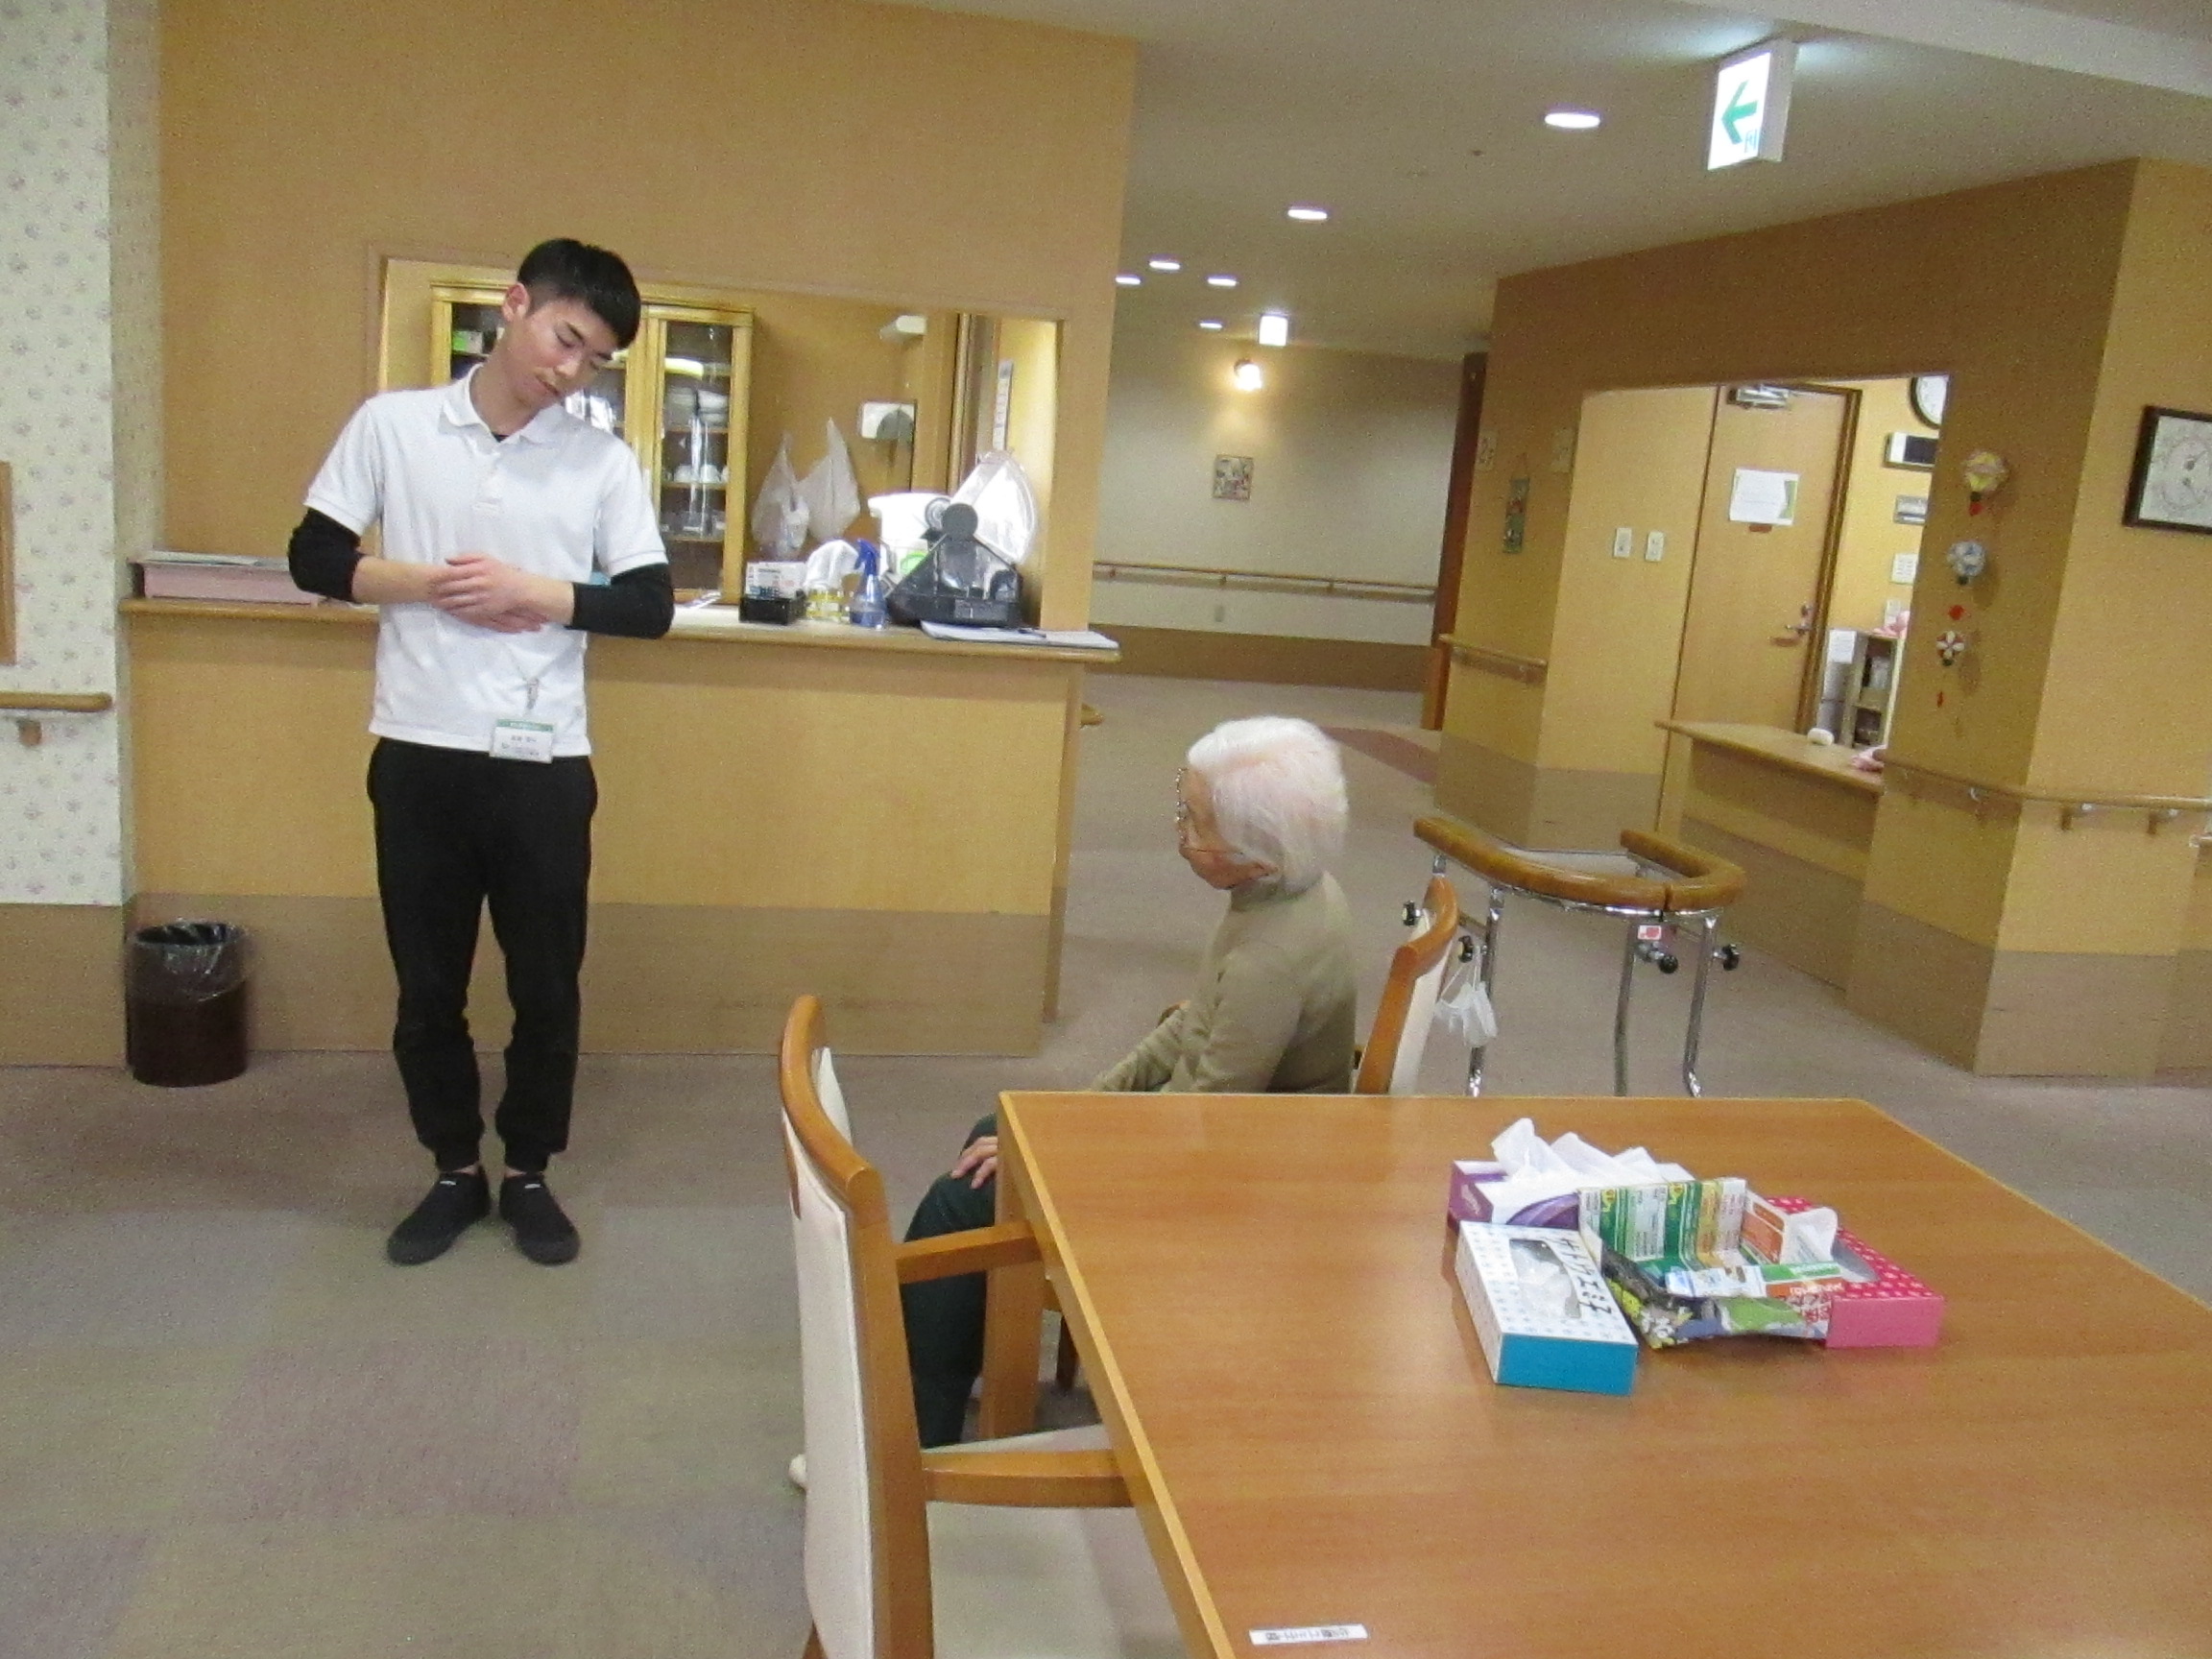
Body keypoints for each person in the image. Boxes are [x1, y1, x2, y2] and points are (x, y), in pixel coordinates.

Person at [286, 239, 675, 1268]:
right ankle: (454, 1168)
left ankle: (531, 1170)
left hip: (546, 765)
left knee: (548, 986)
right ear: (514, 305)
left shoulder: (600, 461)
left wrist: (532, 593)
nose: (570, 370)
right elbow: (313, 557)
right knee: (429, 986)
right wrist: (433, 587)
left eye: (594, 360)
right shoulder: (395, 425)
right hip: (420, 750)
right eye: (565, 339)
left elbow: (649, 605)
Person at [901, 715, 1357, 1445]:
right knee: (991, 1141)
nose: (1181, 831)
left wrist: (1054, 1144)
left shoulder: (1269, 961)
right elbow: (1190, 1028)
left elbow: (1201, 1120)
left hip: (1239, 1176)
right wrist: (1070, 1114)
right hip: (1228, 1138)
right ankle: (951, 1362)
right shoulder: (1287, 895)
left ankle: (914, 1432)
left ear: (1256, 855)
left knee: (961, 1199)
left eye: (1195, 821)